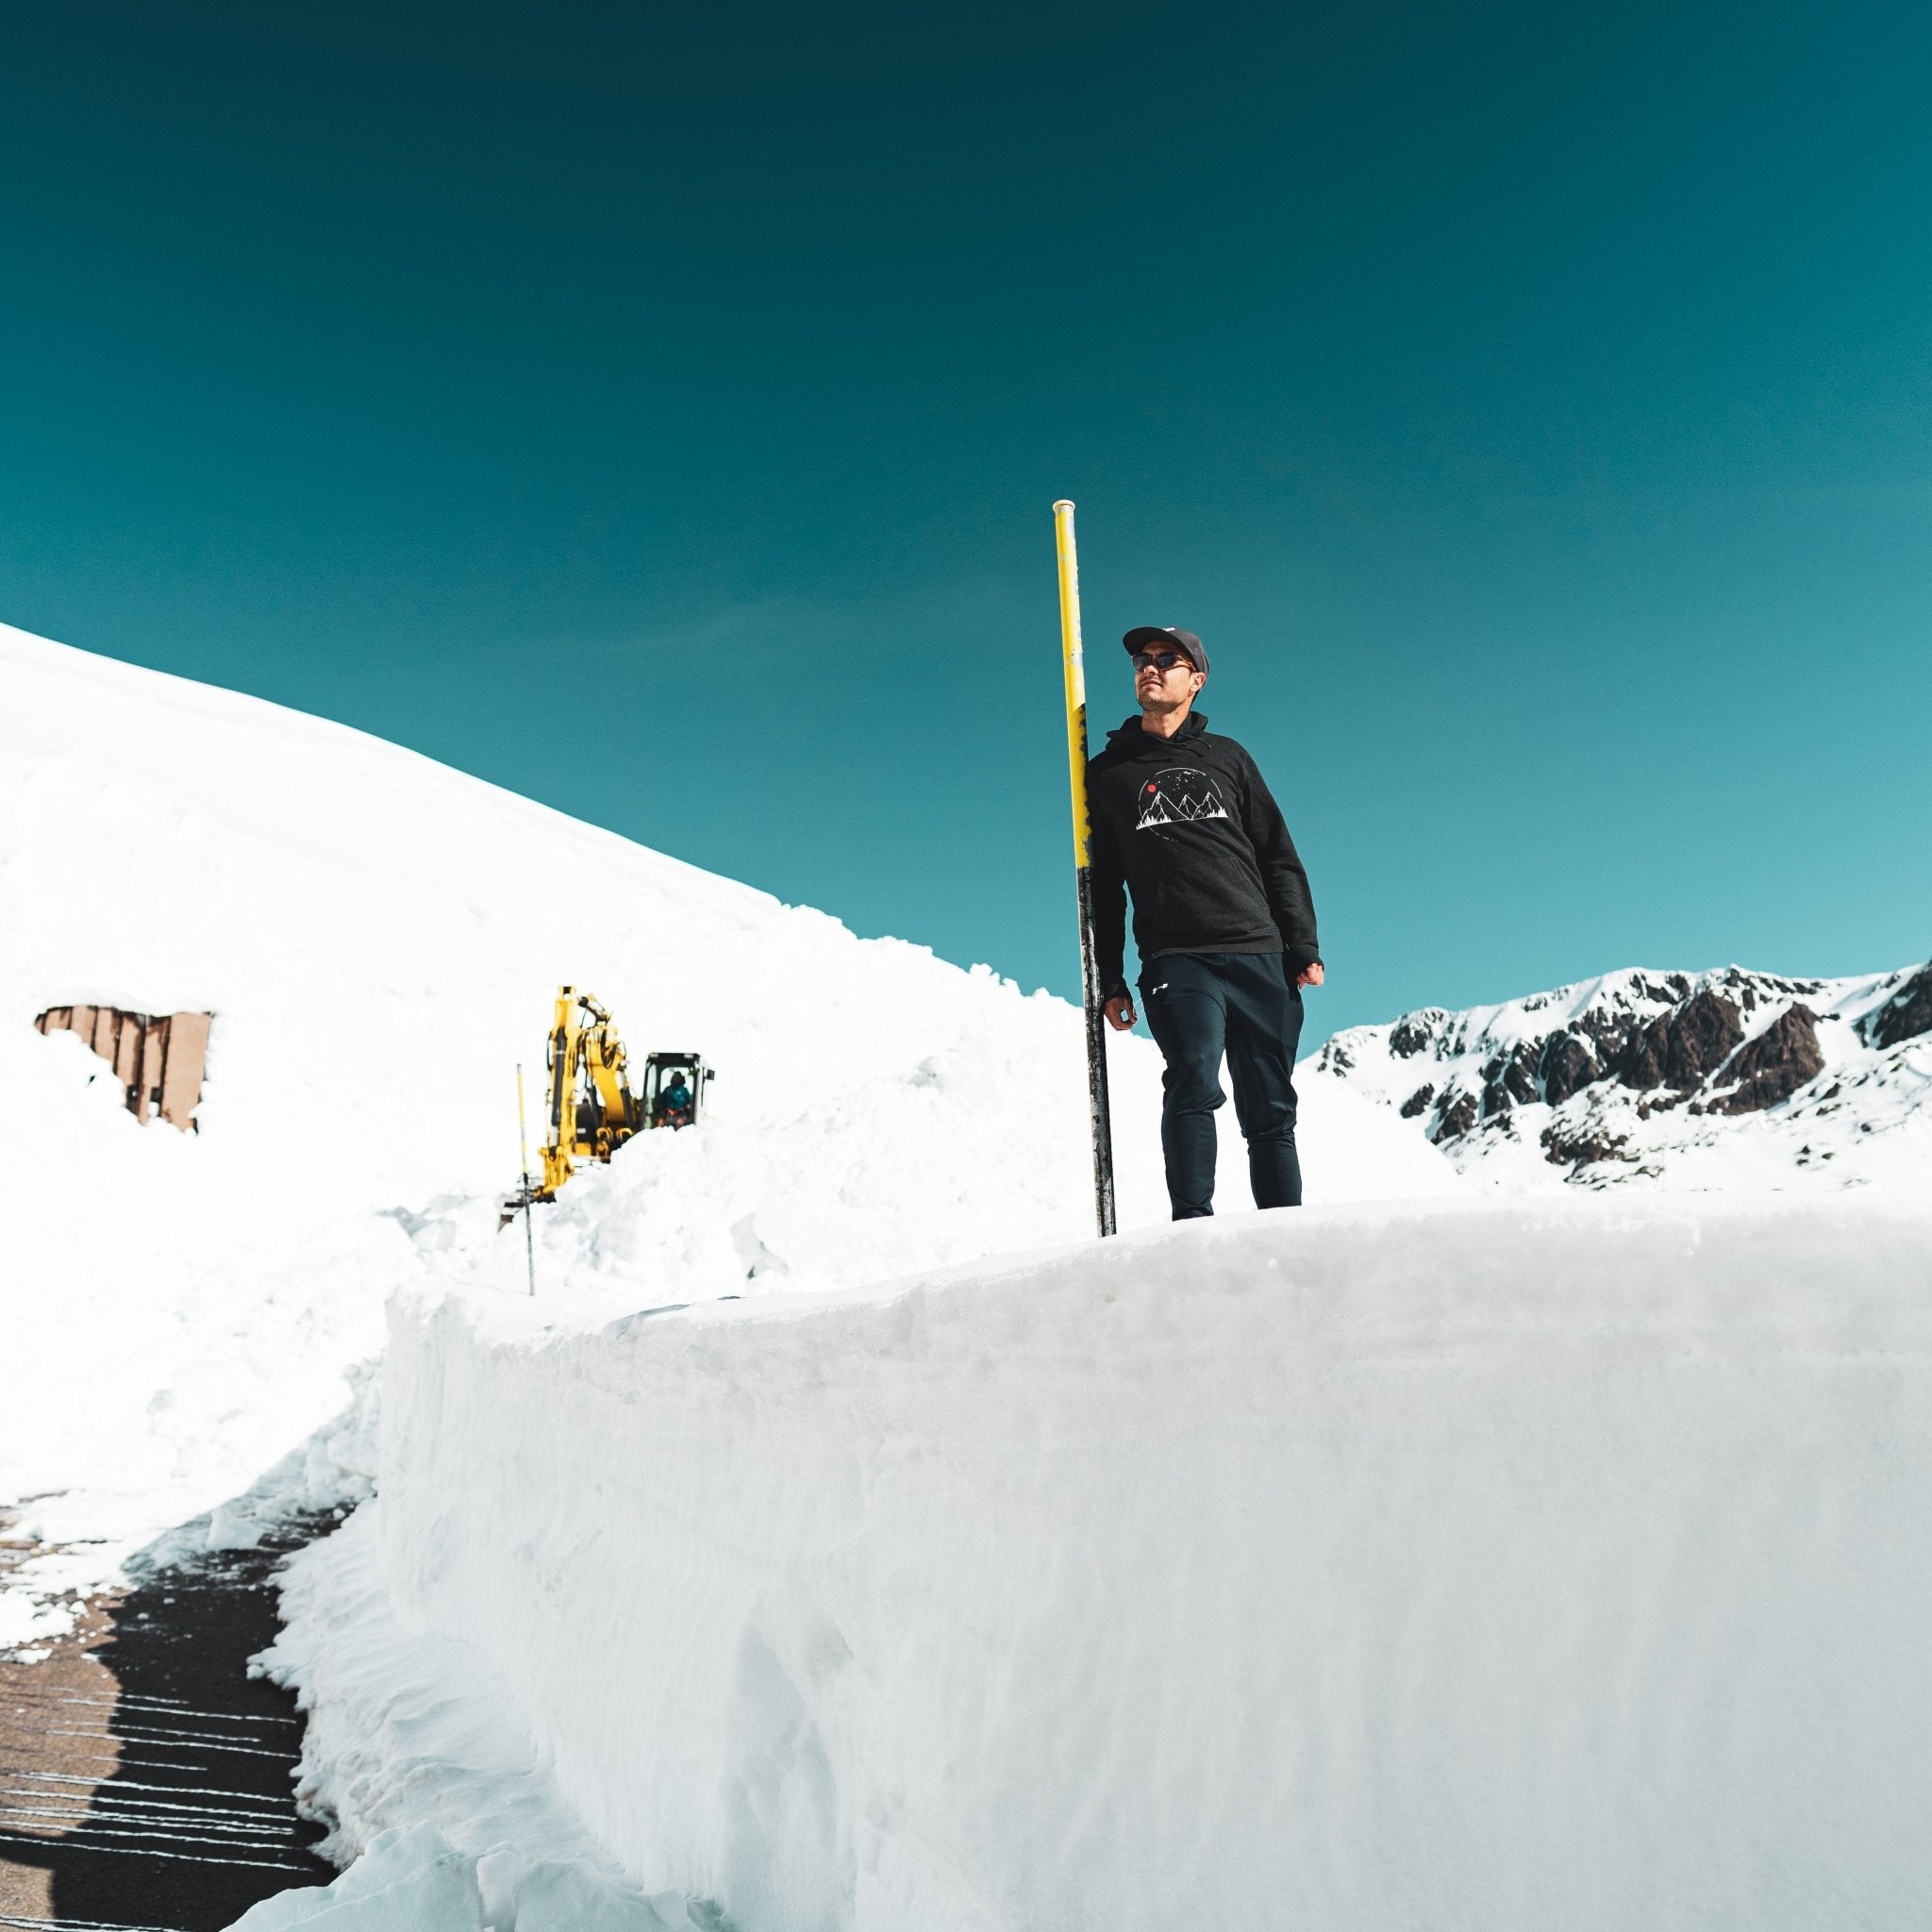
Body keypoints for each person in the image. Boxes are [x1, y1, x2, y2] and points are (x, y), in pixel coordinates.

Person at [1087, 625, 1323, 1218]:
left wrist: (1302, 945)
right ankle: (1191, 1232)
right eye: (1144, 659)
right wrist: (1109, 978)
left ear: (1197, 679)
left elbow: (1277, 855)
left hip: (1258, 952)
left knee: (1269, 1106)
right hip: (1176, 958)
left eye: (1169, 659)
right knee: (1193, 1077)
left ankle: (1284, 1234)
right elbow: (1105, 888)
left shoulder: (1229, 757)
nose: (1151, 667)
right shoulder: (1109, 773)